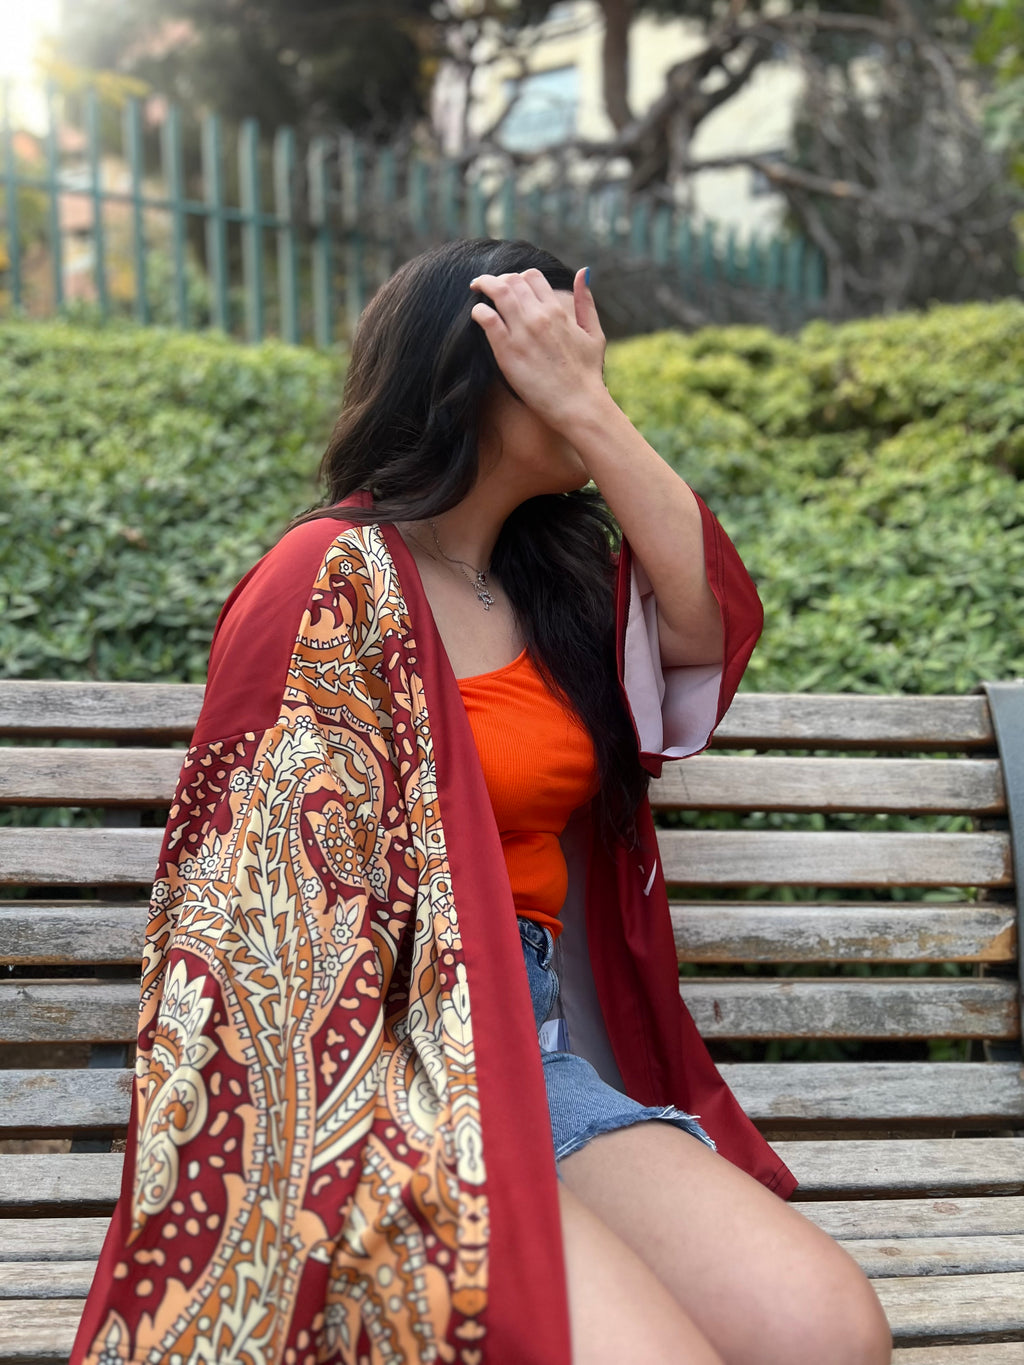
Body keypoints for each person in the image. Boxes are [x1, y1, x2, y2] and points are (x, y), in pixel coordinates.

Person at [71, 238, 892, 1365]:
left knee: (822, 1334)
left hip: (532, 1047)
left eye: (593, 365)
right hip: (369, 1067)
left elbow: (700, 633)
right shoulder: (326, 579)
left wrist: (589, 416)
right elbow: (243, 923)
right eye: (560, 356)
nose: (592, 387)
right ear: (476, 376)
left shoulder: (551, 589)